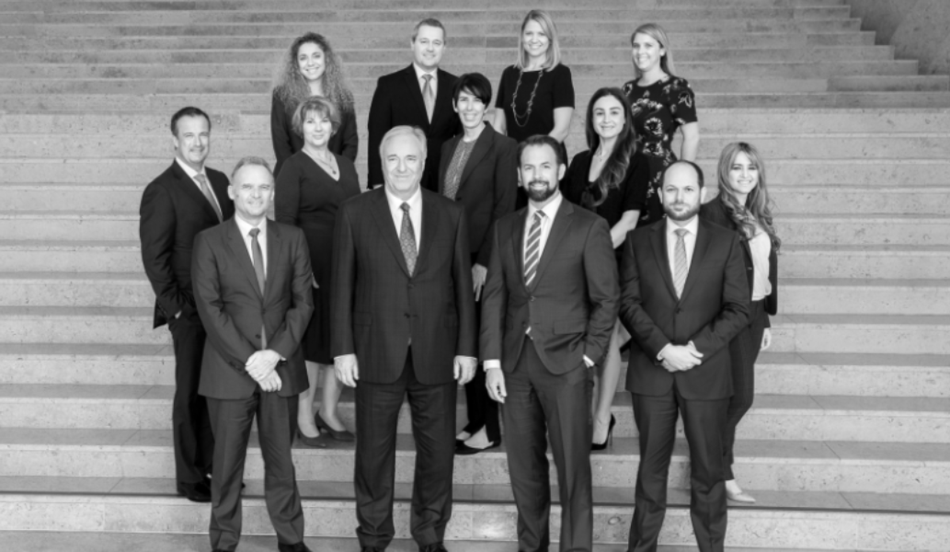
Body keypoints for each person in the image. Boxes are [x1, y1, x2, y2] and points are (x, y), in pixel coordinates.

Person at [331, 126, 478, 552]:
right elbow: (342, 285)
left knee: (438, 454)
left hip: (437, 352)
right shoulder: (355, 212)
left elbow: (462, 286)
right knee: (373, 456)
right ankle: (374, 536)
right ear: (381, 162)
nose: (401, 167)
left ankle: (429, 535)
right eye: (392, 159)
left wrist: (467, 349)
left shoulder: (451, 213)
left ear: (424, 162)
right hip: (375, 351)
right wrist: (343, 348)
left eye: (410, 158)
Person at [482, 135, 619, 552]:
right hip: (514, 366)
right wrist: (491, 363)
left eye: (545, 166)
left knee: (573, 471)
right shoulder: (505, 227)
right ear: (519, 175)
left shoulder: (589, 226)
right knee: (524, 472)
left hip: (568, 366)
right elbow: (494, 297)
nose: (537, 175)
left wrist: (589, 357)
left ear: (560, 170)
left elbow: (606, 299)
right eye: (529, 167)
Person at [618, 161, 750, 552]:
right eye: (671, 189)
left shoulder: (726, 241)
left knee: (708, 473)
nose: (679, 197)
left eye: (688, 189)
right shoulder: (638, 241)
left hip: (705, 373)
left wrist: (694, 351)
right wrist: (662, 349)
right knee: (650, 473)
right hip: (652, 373)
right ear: (660, 195)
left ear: (702, 193)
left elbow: (738, 309)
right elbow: (628, 303)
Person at [192, 156, 314, 552]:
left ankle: (291, 540)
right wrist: (254, 362)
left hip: (281, 370)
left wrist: (273, 354)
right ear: (232, 192)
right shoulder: (209, 241)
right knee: (226, 466)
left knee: (282, 464)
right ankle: (224, 542)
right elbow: (211, 310)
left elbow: (303, 304)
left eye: (264, 187)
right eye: (247, 186)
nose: (256, 194)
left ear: (273, 193)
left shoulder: (292, 238)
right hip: (229, 374)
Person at [139, 106, 234, 503]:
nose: (198, 142)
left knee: (218, 391)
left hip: (224, 308)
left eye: (203, 134)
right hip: (190, 310)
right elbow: (155, 258)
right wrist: (177, 309)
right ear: (174, 141)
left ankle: (213, 468)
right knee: (190, 392)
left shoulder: (221, 180)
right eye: (189, 135)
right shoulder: (161, 190)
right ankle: (189, 476)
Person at [563, 87, 650, 450]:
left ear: (625, 119)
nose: (607, 119)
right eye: (599, 112)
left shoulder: (636, 161)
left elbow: (629, 221)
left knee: (608, 338)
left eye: (614, 112)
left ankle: (602, 417)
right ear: (591, 119)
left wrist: (591, 255)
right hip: (577, 262)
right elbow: (565, 213)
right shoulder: (580, 161)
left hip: (613, 261)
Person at [437, 72, 518, 455]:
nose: (470, 107)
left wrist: (484, 262)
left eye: (477, 100)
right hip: (451, 256)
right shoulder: (447, 147)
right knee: (463, 337)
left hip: (483, 257)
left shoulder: (503, 147)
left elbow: (504, 208)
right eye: (464, 100)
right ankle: (474, 420)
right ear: (455, 105)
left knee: (482, 337)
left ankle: (490, 428)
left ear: (487, 106)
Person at [275, 97, 360, 446]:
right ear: (301, 127)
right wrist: (300, 269)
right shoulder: (292, 167)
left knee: (339, 338)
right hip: (311, 268)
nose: (318, 127)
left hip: (345, 266)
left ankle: (329, 411)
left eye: (323, 120)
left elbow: (358, 213)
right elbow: (285, 225)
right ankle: (304, 416)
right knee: (311, 344)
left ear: (333, 126)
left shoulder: (346, 165)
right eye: (310, 121)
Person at [701, 142, 780, 504]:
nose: (745, 174)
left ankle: (720, 471)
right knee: (740, 398)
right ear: (724, 172)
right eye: (737, 167)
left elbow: (762, 269)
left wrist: (765, 320)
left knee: (733, 397)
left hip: (755, 314)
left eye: (751, 167)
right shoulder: (711, 214)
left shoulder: (757, 213)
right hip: (729, 315)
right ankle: (716, 470)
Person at [493, 9, 575, 208]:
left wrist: (531, 164)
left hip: (546, 165)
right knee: (513, 220)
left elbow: (561, 129)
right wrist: (510, 165)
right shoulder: (509, 74)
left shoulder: (560, 74)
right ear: (522, 37)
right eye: (529, 33)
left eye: (541, 34)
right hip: (514, 167)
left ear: (550, 39)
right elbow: (498, 127)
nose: (534, 39)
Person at [367, 18, 460, 191]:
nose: (430, 48)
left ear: (444, 47)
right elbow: (377, 138)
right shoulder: (388, 85)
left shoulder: (456, 86)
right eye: (424, 41)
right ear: (412, 44)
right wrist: (378, 185)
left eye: (436, 43)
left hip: (443, 185)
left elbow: (462, 138)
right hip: (401, 180)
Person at [621, 23, 700, 226]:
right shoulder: (627, 89)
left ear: (662, 50)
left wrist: (683, 178)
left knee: (656, 235)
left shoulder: (676, 87)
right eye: (636, 46)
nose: (641, 51)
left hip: (658, 174)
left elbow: (692, 137)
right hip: (627, 171)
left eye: (648, 45)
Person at [271, 32, 357, 177]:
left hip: (333, 177)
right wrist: (300, 175)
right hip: (292, 177)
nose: (310, 63)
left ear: (326, 59)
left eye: (316, 56)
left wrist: (335, 172)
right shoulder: (282, 95)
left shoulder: (343, 97)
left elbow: (350, 143)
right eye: (303, 58)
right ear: (296, 63)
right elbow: (281, 144)